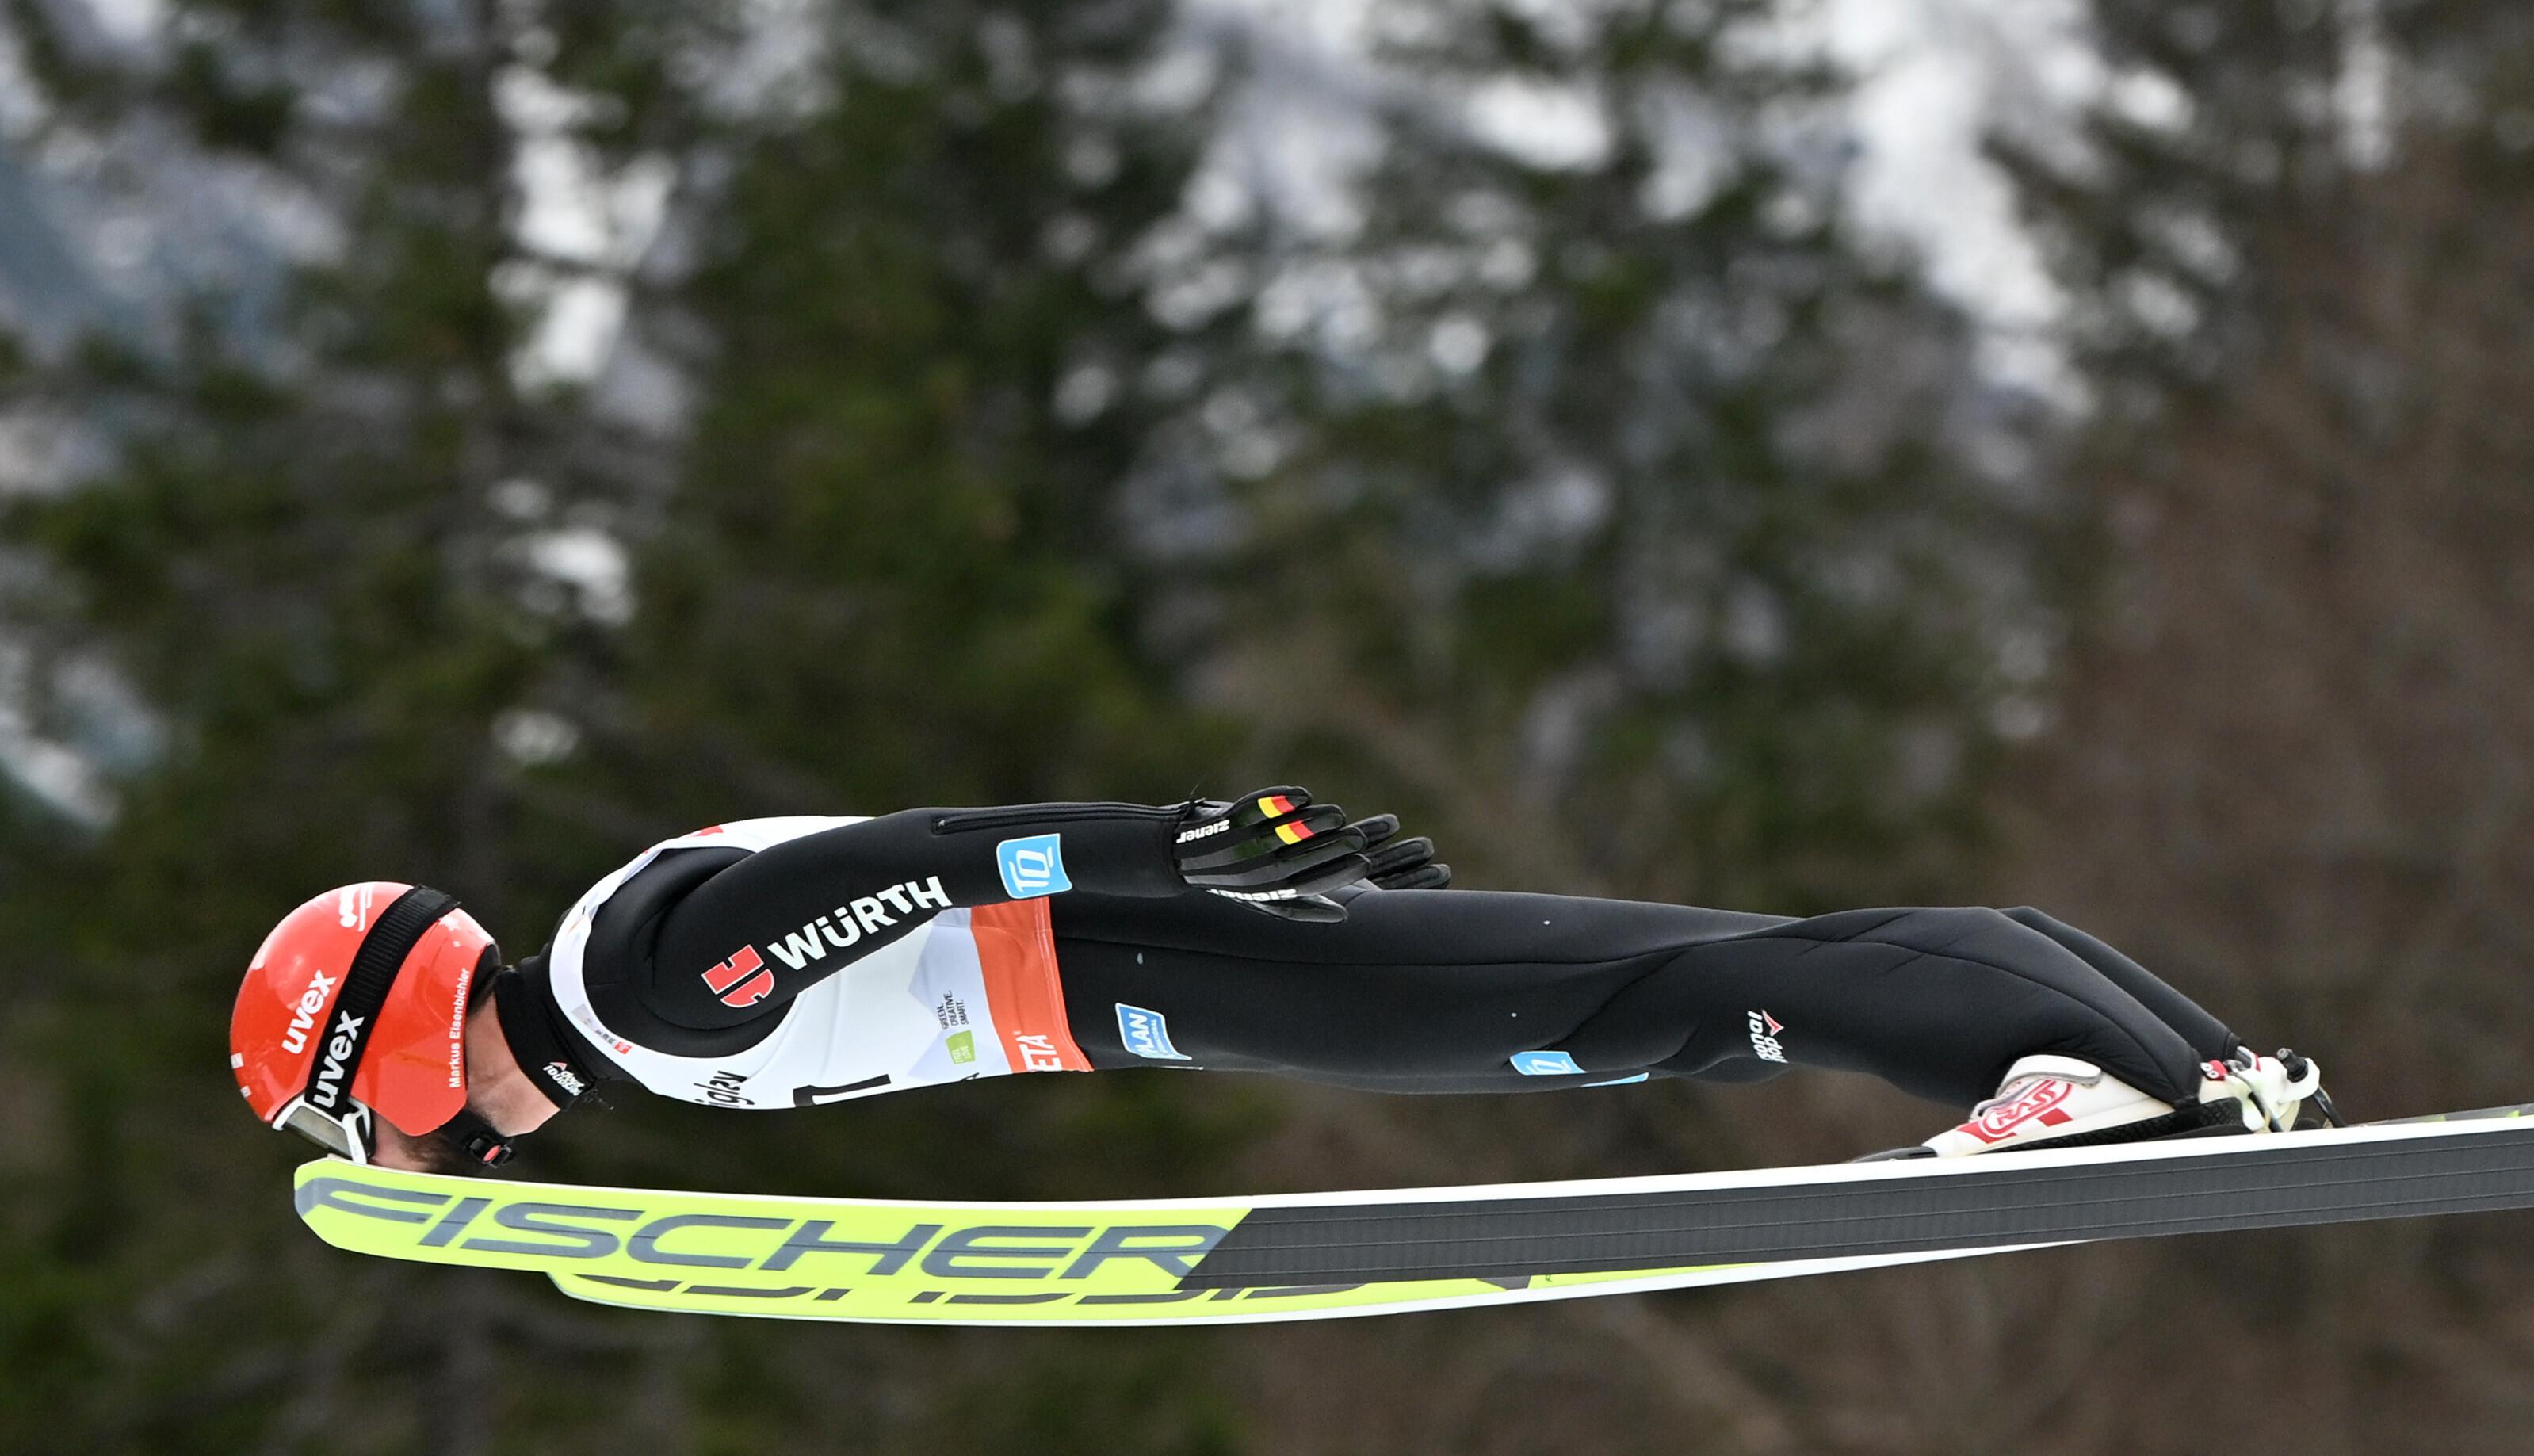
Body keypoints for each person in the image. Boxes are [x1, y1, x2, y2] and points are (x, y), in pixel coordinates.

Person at [230, 787, 2333, 1176]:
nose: (435, 1150)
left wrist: (1172, 854)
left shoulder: (649, 990)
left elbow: (915, 867)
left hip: (1149, 963)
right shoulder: (628, 956)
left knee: (1666, 1006)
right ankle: (2188, 1058)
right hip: (1155, 951)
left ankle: (2079, 1071)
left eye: (390, 1119)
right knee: (1683, 973)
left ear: (398, 1048)